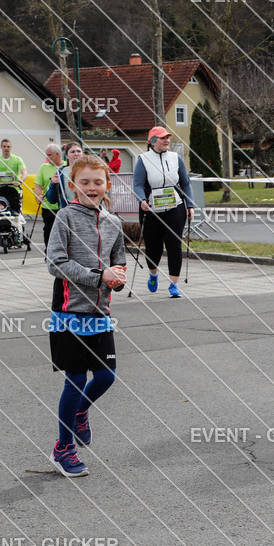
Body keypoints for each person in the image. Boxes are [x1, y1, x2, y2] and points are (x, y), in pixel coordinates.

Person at [46, 154, 126, 476]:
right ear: (72, 185)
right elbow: (55, 262)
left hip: (100, 311)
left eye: (98, 182)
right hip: (69, 312)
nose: (91, 187)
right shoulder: (65, 217)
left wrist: (117, 280)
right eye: (84, 182)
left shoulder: (114, 222)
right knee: (76, 379)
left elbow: (118, 261)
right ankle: (63, 447)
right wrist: (98, 276)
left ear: (107, 185)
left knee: (106, 376)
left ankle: (80, 413)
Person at [132, 126, 195, 298]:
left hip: (175, 206)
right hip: (151, 208)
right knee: (153, 247)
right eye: (162, 138)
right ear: (152, 141)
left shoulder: (176, 158)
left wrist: (190, 206)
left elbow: (186, 183)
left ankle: (174, 285)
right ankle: (153, 275)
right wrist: (142, 200)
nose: (166, 140)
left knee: (174, 244)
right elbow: (137, 184)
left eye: (167, 137)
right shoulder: (143, 159)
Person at [33, 144, 66, 246]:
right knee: (49, 230)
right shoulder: (44, 167)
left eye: (49, 155)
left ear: (57, 154)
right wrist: (38, 195)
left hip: (64, 206)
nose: (47, 158)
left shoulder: (66, 167)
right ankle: (48, 253)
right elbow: (38, 185)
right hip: (48, 206)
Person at [0, 138, 28, 215]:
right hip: (1, 188)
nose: (6, 148)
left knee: (15, 211)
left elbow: (24, 173)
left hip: (13, 189)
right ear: (1, 147)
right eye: (4, 146)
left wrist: (20, 182)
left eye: (8, 146)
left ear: (11, 147)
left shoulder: (17, 159)